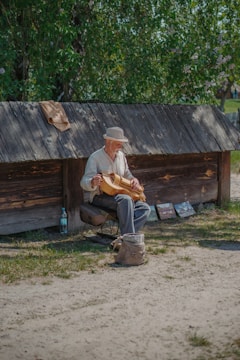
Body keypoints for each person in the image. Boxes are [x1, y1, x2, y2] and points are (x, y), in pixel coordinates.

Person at [80, 126, 151, 235]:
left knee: (144, 208)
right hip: (100, 197)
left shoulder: (121, 156)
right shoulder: (95, 157)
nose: (121, 146)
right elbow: (84, 182)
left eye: (122, 143)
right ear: (109, 141)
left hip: (120, 194)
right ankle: (129, 238)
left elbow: (127, 173)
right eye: (118, 143)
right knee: (126, 200)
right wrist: (92, 182)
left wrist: (133, 179)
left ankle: (125, 236)